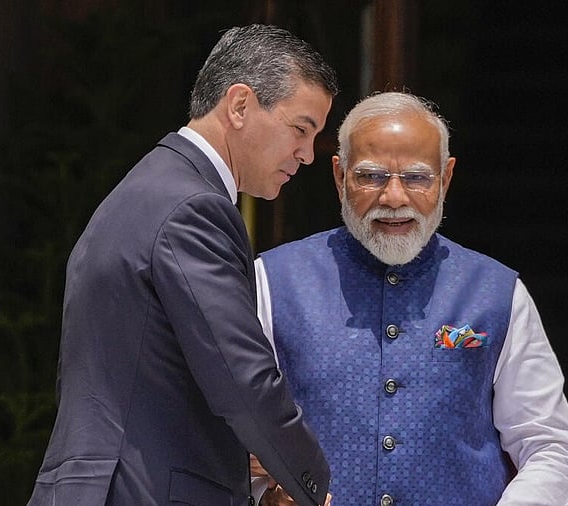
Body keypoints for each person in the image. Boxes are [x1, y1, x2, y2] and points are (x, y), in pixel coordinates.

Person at [28, 24, 338, 506]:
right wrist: (315, 485)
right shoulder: (194, 207)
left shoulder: (148, 188)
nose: (307, 154)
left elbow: (148, 387)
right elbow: (245, 384)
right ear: (240, 105)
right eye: (301, 129)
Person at [252, 92, 568, 505]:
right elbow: (225, 435)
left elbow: (551, 446)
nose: (394, 198)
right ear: (339, 176)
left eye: (416, 178)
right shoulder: (273, 281)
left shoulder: (497, 292)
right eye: (371, 176)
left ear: (446, 178)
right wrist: (262, 492)